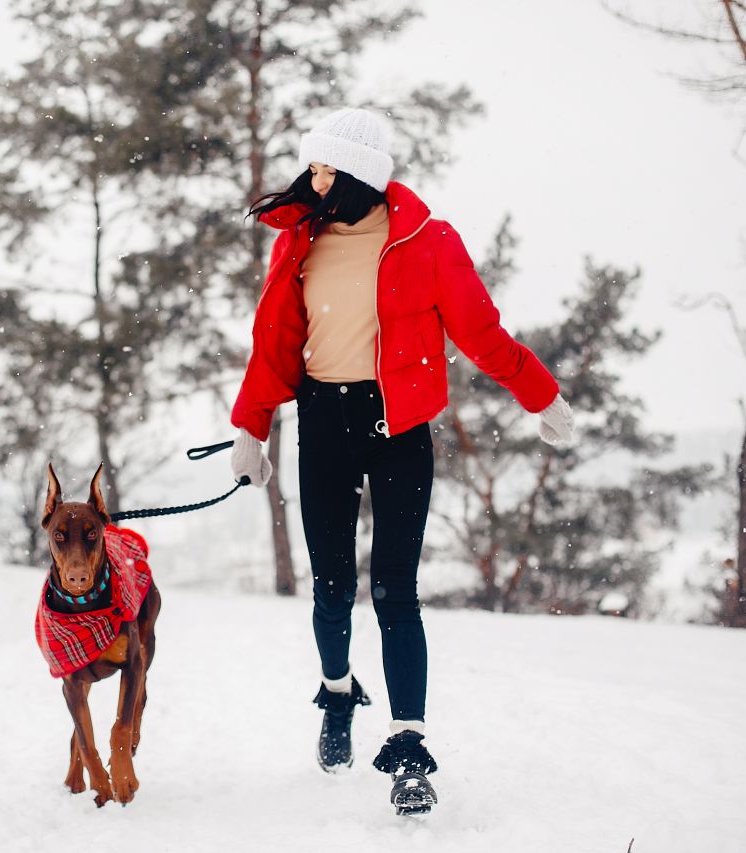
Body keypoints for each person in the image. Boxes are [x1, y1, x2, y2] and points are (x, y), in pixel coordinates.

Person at [227, 107, 576, 815]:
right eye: (314, 166)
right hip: (323, 422)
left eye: (327, 168)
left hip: (399, 431)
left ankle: (410, 749)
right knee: (331, 589)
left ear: (361, 174)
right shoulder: (299, 241)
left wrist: (540, 396)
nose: (315, 178)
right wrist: (250, 429)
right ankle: (336, 693)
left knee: (393, 590)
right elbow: (273, 344)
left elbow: (481, 331)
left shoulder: (426, 239)